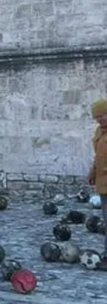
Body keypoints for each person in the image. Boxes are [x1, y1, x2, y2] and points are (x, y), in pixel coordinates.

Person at [88, 98, 107, 267]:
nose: (100, 119)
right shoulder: (99, 132)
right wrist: (93, 171)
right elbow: (98, 156)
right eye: (97, 117)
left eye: (103, 115)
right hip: (103, 183)